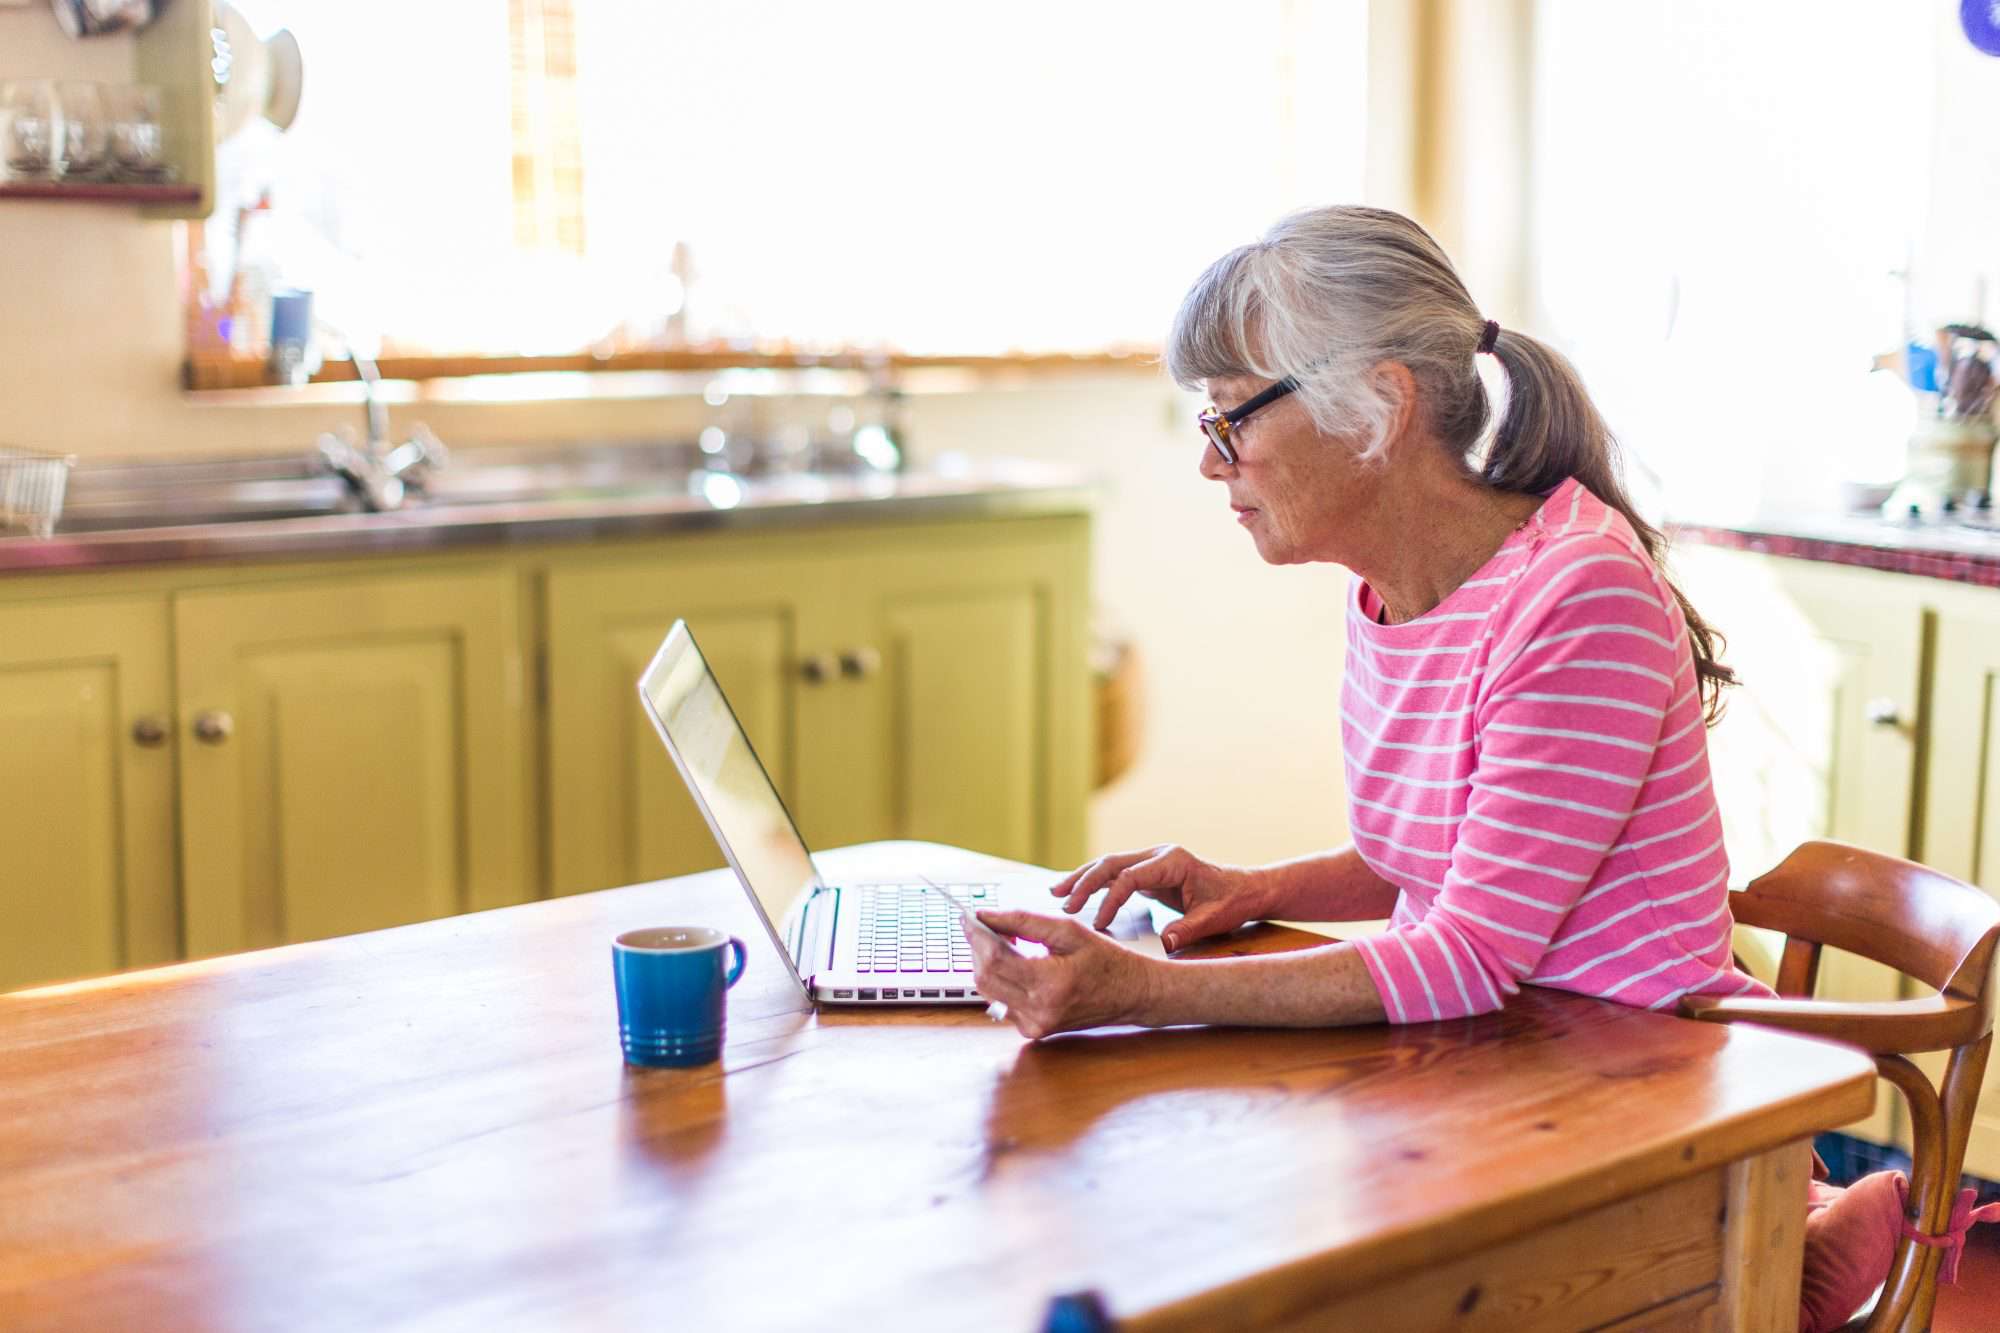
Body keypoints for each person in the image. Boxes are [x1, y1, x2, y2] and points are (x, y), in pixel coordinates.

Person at [963, 205, 1774, 1040]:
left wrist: (1139, 991)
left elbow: (1470, 955)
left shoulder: (1581, 593)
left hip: (1653, 1083)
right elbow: (1448, 866)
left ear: (1380, 406)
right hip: (1502, 1062)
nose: (1212, 461)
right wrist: (1255, 889)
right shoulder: (1388, 589)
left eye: (1233, 416)